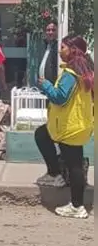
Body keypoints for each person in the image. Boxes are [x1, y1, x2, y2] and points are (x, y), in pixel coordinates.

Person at [34, 35, 94, 219]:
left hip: (69, 126)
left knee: (75, 166)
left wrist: (46, 85)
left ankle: (76, 205)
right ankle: (56, 173)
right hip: (78, 124)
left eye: (63, 47)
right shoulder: (85, 70)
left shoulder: (70, 74)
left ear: (72, 50)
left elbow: (60, 97)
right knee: (42, 134)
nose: (60, 51)